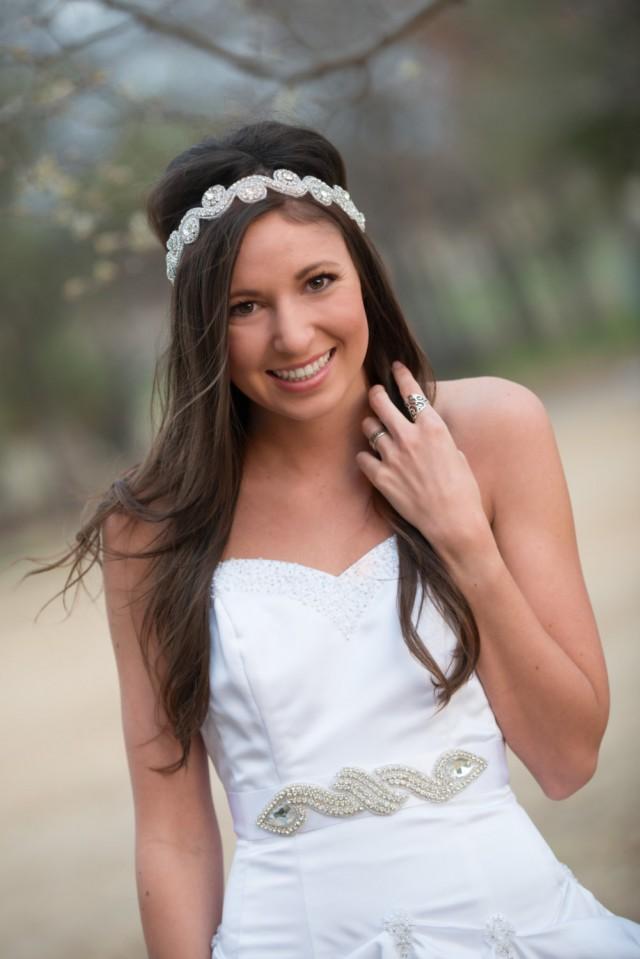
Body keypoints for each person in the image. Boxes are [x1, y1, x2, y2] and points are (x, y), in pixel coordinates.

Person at [35, 119, 640, 958]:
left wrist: (461, 534)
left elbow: (568, 759)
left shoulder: (495, 430)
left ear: (363, 278)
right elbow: (174, 835)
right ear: (203, 327)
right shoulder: (152, 526)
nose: (292, 334)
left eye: (317, 281)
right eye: (246, 306)